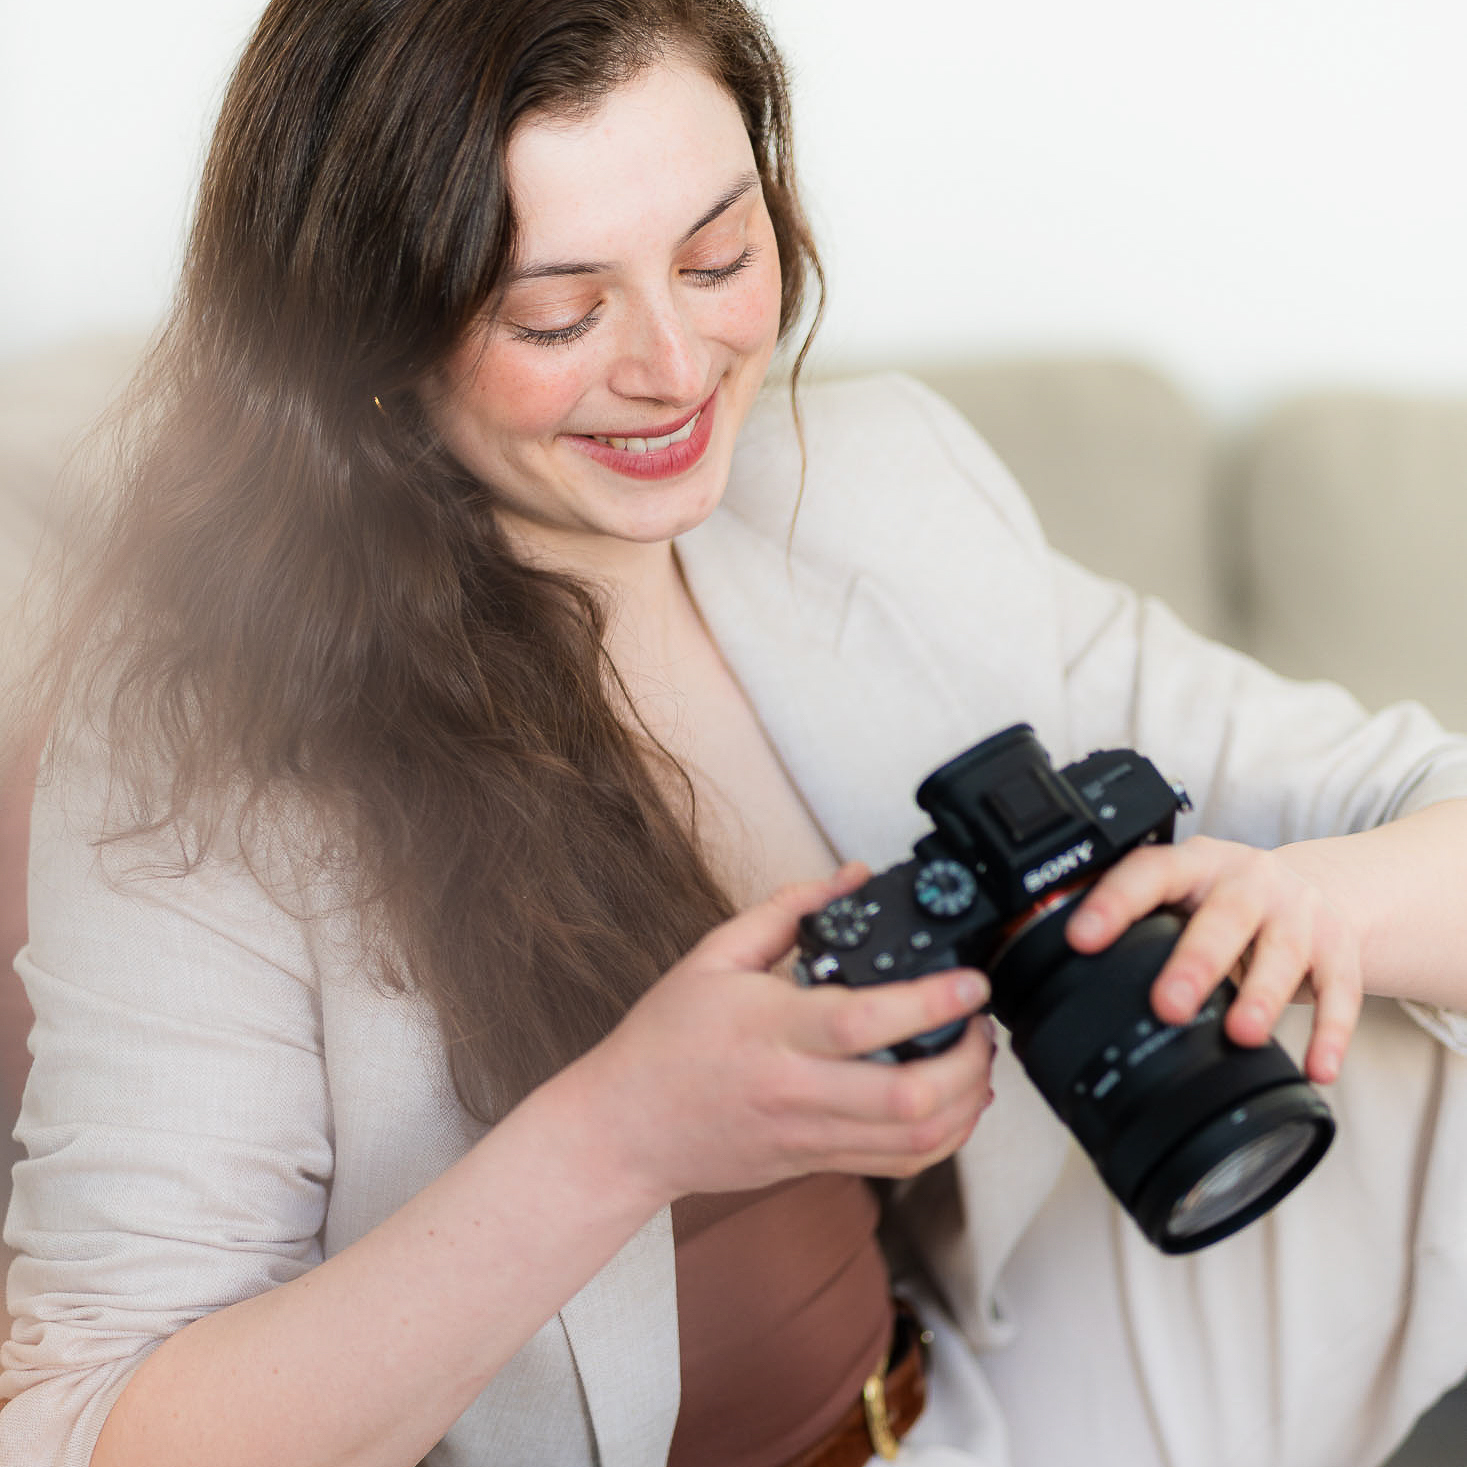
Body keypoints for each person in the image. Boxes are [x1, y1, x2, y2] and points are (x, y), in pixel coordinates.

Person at [4, 1, 1467, 1464]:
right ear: (361, 341)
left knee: (1403, 1009)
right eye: (556, 315)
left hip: (979, 1394)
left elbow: (1424, 802)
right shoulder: (203, 748)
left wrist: (1301, 899)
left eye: (717, 256)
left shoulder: (874, 488)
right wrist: (620, 1135)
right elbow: (82, 1428)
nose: (675, 365)